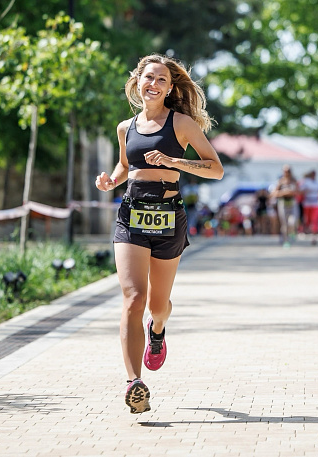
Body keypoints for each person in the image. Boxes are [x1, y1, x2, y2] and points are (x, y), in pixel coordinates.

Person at [95, 54, 223, 414]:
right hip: (131, 213)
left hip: (169, 215)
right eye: (148, 77)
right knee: (133, 299)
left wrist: (175, 161)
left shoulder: (181, 123)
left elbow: (215, 169)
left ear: (170, 88)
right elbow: (125, 164)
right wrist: (111, 180)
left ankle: (159, 328)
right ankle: (134, 382)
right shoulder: (125, 127)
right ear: (137, 81)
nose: (153, 84)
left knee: (156, 305)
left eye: (161, 80)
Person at [272, 165, 299, 247]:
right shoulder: (280, 181)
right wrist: (284, 192)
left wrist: (291, 192)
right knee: (284, 224)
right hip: (283, 203)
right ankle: (285, 240)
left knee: (292, 221)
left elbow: (298, 191)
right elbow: (274, 193)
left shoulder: (294, 181)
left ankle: (292, 233)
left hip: (292, 203)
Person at [300, 170, 318, 245]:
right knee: (307, 220)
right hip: (307, 204)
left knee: (315, 220)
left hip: (316, 204)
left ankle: (314, 236)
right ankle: (305, 230)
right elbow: (301, 191)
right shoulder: (306, 182)